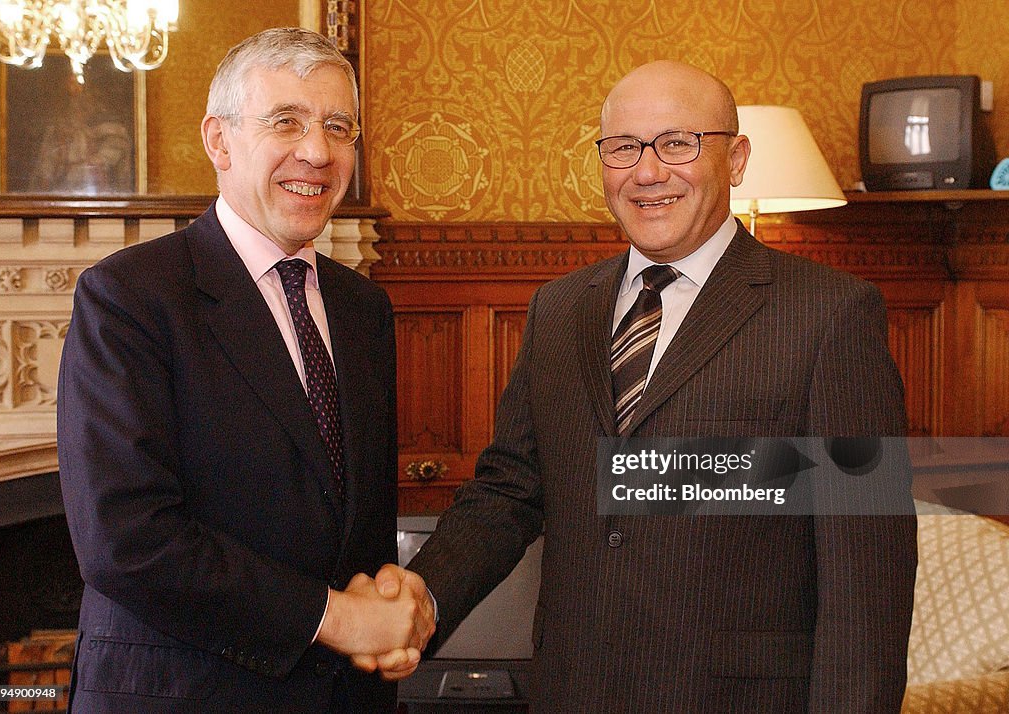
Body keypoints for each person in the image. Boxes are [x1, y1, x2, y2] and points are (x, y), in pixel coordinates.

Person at [384, 60, 918, 711]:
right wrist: (423, 595)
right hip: (574, 693)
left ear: (737, 157)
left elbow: (868, 578)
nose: (646, 171)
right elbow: (509, 489)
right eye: (622, 147)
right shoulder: (558, 310)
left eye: (677, 143)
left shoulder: (830, 313)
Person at [57, 28, 433, 713]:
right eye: (285, 121)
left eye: (338, 127)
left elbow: (356, 521)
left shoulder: (363, 308)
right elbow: (126, 540)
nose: (316, 151)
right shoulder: (131, 297)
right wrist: (338, 619)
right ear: (219, 141)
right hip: (182, 695)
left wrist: (389, 612)